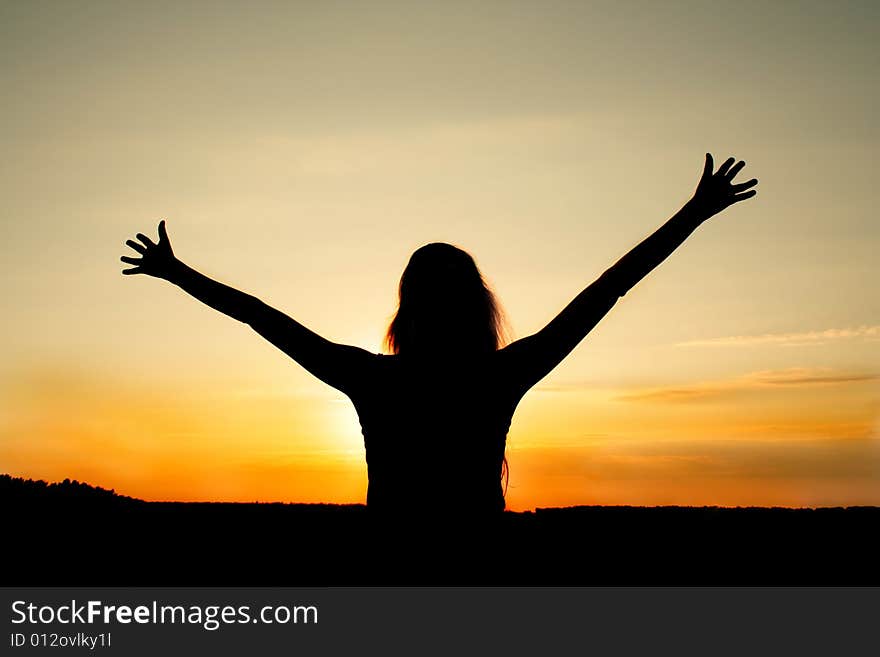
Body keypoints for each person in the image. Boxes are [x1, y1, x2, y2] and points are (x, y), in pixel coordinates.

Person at [121, 154, 757, 516]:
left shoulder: (373, 379)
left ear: (406, 313)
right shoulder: (501, 376)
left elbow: (262, 317)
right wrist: (692, 215)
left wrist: (179, 274)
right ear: (477, 308)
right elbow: (607, 291)